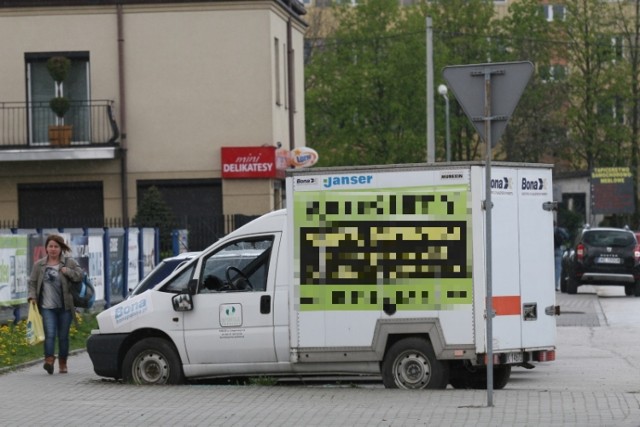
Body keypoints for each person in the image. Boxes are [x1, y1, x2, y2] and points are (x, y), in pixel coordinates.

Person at [27, 234, 83, 375]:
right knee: (50, 334)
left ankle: (63, 363)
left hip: (65, 307)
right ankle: (49, 360)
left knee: (63, 336)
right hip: (47, 307)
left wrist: (67, 271)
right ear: (46, 248)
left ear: (61, 248)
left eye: (56, 246)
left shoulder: (69, 262)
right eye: (50, 246)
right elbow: (32, 283)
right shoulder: (39, 265)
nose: (53, 249)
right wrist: (32, 296)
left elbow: (80, 275)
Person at [554, 221, 569, 291]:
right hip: (557, 249)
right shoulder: (558, 230)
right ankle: (555, 285)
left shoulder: (545, 229)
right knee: (557, 268)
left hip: (547, 251)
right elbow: (567, 236)